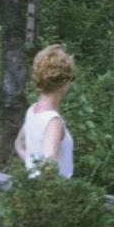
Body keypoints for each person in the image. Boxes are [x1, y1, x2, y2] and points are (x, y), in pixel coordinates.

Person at [13, 45, 75, 178]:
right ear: (64, 83)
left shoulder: (33, 110)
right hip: (55, 196)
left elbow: (19, 145)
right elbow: (48, 172)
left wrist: (32, 170)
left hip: (36, 192)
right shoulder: (53, 122)